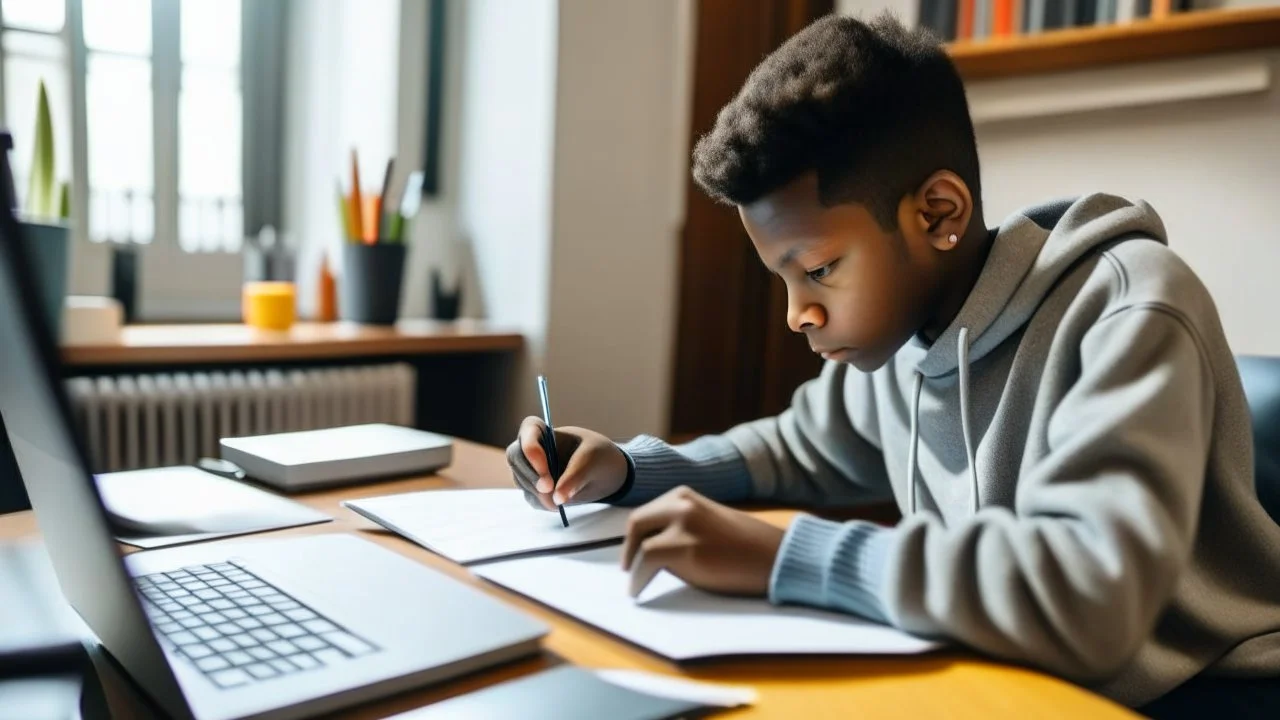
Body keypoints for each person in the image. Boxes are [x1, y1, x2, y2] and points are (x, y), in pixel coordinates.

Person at [507, 13, 1280, 714]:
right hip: (1015, 677)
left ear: (937, 215)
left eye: (818, 269)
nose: (796, 314)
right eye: (781, 279)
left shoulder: (1129, 309)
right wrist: (631, 471)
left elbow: (1088, 597)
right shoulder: (906, 338)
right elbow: (789, 449)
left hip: (1201, 692)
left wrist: (786, 555)